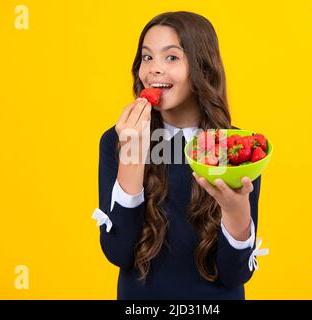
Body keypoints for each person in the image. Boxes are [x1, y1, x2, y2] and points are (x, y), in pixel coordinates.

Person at [92, 11, 268, 300]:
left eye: (171, 57)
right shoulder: (117, 140)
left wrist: (236, 212)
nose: (154, 69)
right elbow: (119, 252)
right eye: (147, 57)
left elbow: (234, 274)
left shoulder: (237, 148)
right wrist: (132, 157)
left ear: (202, 67)